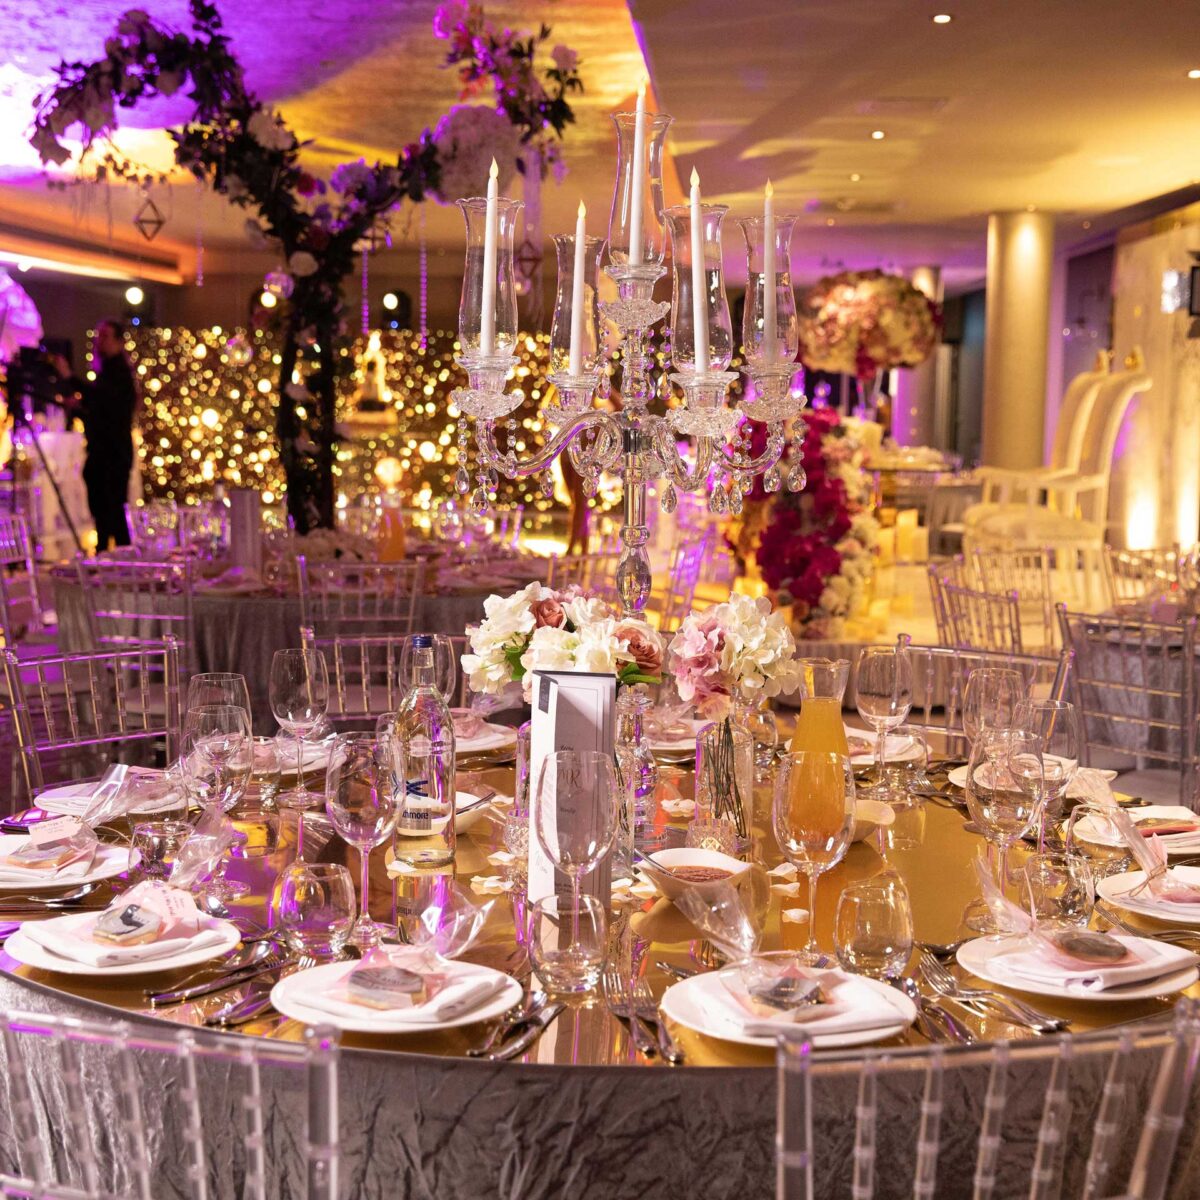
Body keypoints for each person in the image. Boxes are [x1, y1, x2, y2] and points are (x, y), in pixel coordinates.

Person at [54, 320, 138, 550]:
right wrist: (81, 410)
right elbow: (101, 410)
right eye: (98, 336)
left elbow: (105, 402)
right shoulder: (108, 371)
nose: (99, 341)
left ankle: (120, 556)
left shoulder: (118, 372)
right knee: (104, 507)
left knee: (112, 508)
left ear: (119, 342)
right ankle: (109, 554)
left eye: (106, 336)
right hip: (105, 451)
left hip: (113, 452)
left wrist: (70, 377)